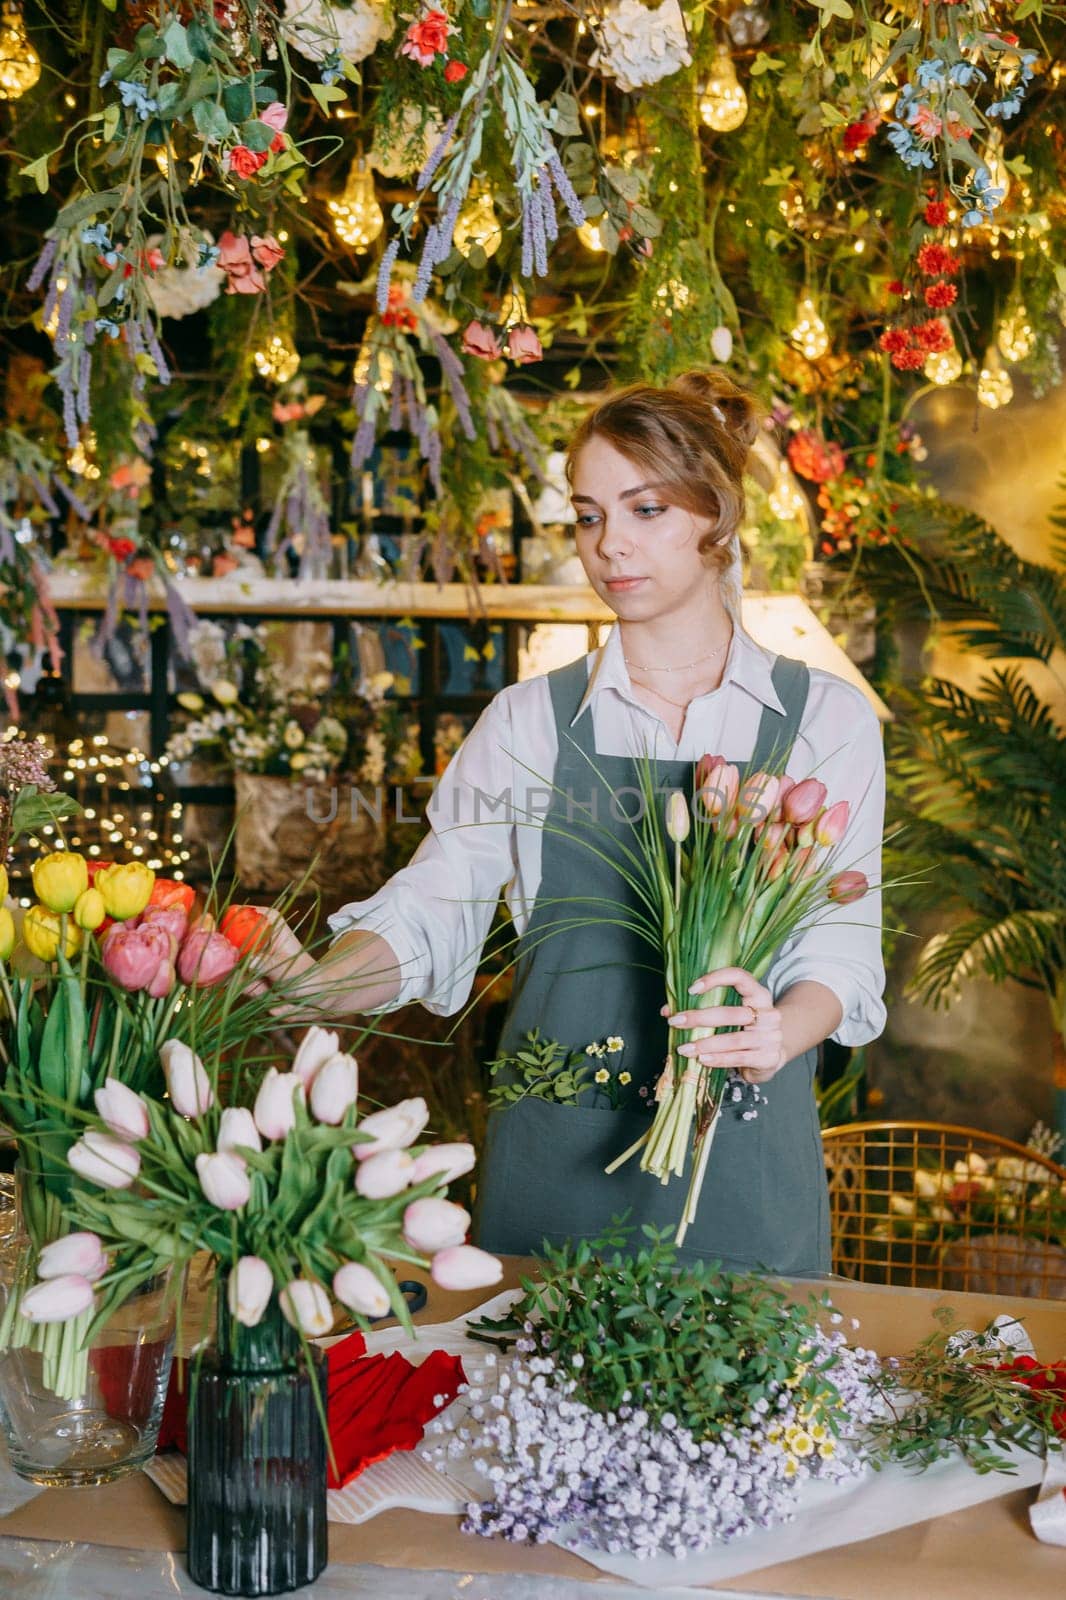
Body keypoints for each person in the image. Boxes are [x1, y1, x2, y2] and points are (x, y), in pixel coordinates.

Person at [263, 370, 886, 1273]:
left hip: (740, 1158)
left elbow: (841, 944)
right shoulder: (527, 722)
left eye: (645, 511)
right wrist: (311, 990)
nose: (609, 547)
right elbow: (435, 910)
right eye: (590, 516)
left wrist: (781, 1032)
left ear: (716, 516)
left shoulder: (824, 719)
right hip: (555, 1163)